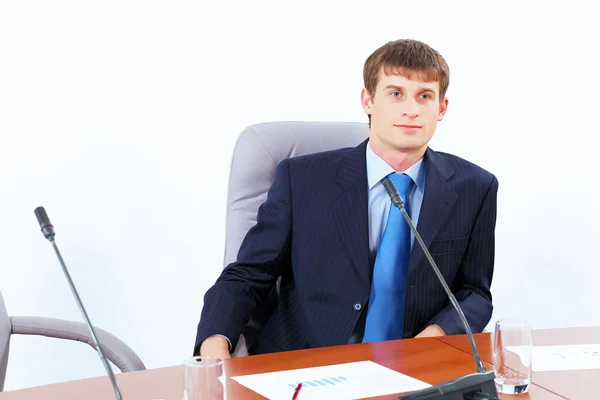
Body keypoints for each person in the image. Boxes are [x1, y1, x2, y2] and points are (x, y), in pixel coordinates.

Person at [194, 38, 498, 359]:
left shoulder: (475, 186)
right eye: (395, 94)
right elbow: (248, 275)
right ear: (368, 100)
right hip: (306, 363)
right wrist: (214, 345)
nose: (411, 110)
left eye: (424, 96)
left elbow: (475, 292)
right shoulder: (301, 179)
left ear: (442, 108)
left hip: (416, 364)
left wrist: (433, 338)